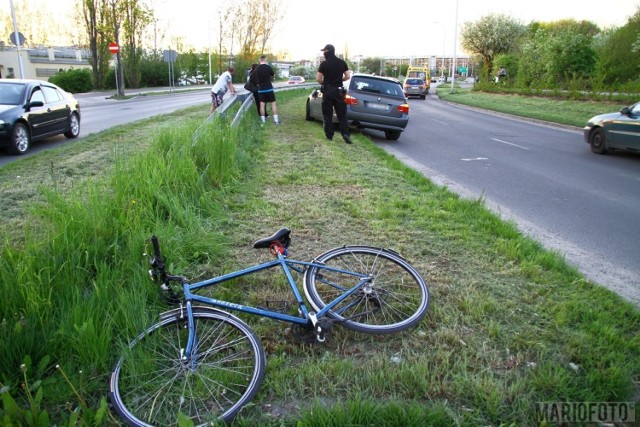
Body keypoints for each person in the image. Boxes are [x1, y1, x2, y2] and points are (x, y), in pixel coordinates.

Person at [317, 44, 352, 144]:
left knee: (327, 114)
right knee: (342, 114)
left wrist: (325, 83)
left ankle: (329, 135)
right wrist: (339, 80)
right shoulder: (342, 62)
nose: (323, 53)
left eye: (324, 51)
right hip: (339, 91)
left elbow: (319, 79)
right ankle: (345, 134)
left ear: (328, 51)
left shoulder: (324, 64)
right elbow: (347, 76)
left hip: (328, 91)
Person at [256, 55, 280, 125]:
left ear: (260, 60)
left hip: (261, 90)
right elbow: (273, 75)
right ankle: (276, 121)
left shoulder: (257, 68)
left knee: (262, 105)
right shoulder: (268, 67)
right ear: (265, 60)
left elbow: (256, 79)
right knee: (273, 103)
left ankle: (263, 122)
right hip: (269, 89)